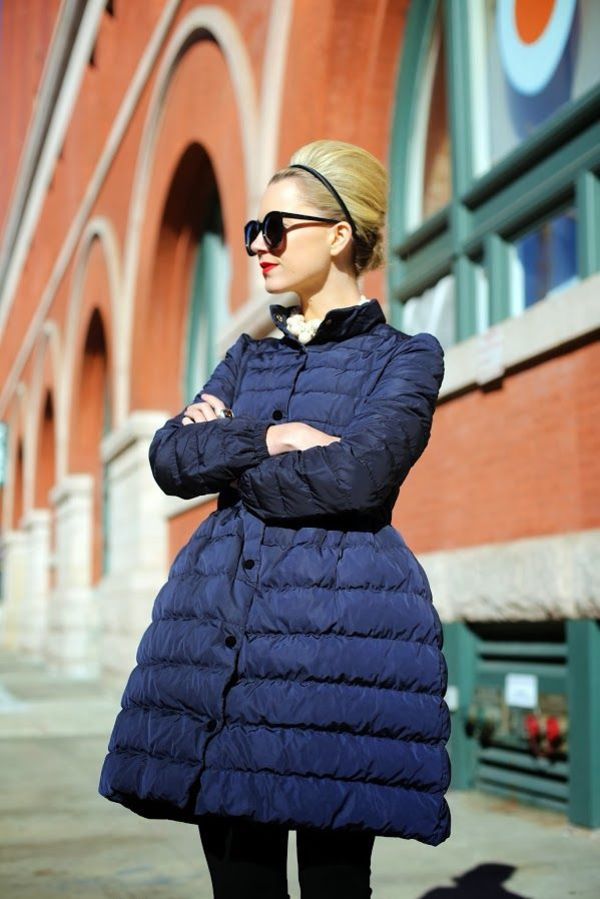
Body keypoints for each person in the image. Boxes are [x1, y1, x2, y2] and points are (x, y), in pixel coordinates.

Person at [98, 139, 451, 898]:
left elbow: (359, 478)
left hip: (336, 650)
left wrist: (228, 455)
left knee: (334, 886)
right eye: (254, 228)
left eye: (277, 228)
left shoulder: (406, 357)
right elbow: (170, 460)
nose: (259, 244)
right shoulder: (247, 358)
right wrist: (270, 438)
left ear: (340, 234)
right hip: (219, 651)